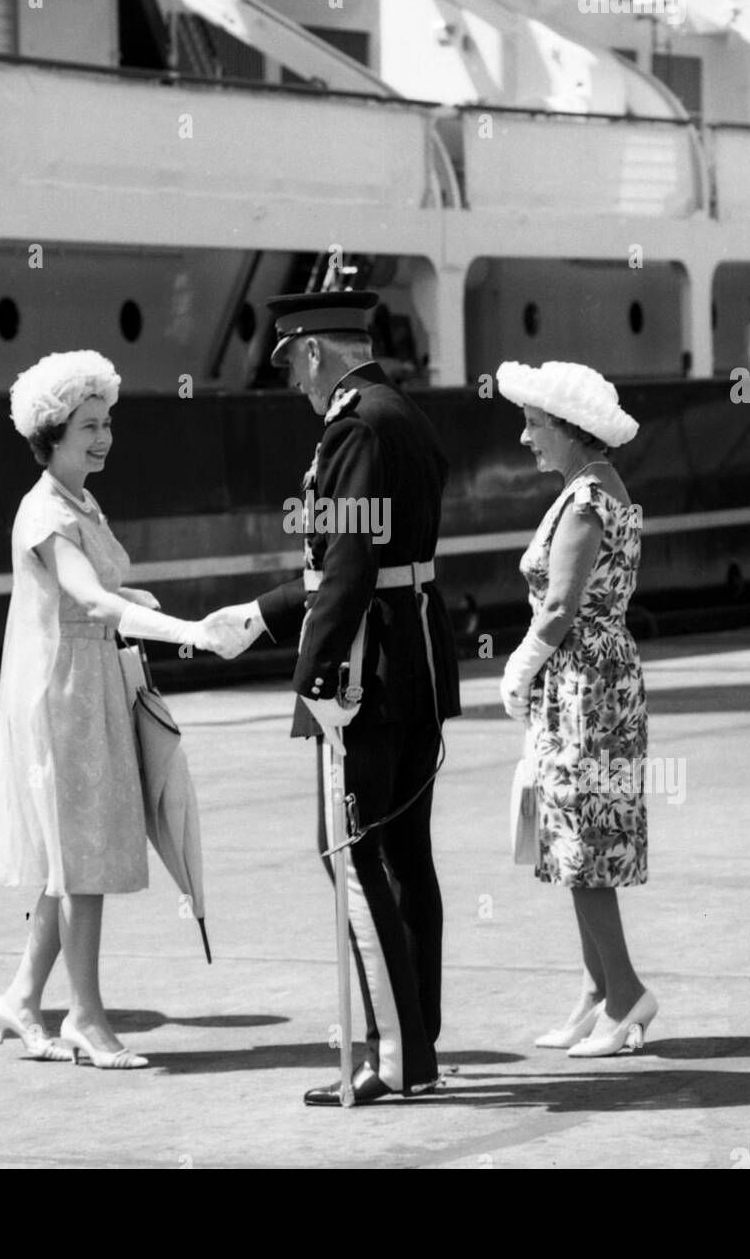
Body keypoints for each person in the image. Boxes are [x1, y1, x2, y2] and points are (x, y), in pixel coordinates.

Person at [205, 291, 461, 1106]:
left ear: (313, 353)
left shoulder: (353, 425)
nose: (293, 384)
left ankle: (391, 1052)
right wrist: (260, 614)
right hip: (415, 667)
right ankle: (418, 1038)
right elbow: (376, 564)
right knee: (404, 856)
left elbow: (347, 566)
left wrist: (313, 677)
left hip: (364, 678)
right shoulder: (403, 414)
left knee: (350, 855)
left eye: (291, 365)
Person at [0, 351, 225, 1069]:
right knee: (81, 859)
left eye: (107, 421)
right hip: (64, 695)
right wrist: (191, 633)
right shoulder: (46, 509)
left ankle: (22, 1000)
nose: (104, 436)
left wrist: (143, 606)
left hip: (92, 685)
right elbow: (86, 597)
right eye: (88, 425)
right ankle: (85, 1017)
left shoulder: (80, 500)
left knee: (73, 856)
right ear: (51, 432)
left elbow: (101, 596)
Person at [495, 360, 654, 1057]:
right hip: (587, 682)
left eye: (534, 425)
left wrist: (520, 664)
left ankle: (626, 998)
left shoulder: (586, 498)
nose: (525, 437)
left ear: (570, 430)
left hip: (585, 686)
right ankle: (596, 992)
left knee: (582, 843)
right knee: (568, 837)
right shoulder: (588, 489)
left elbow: (560, 606)